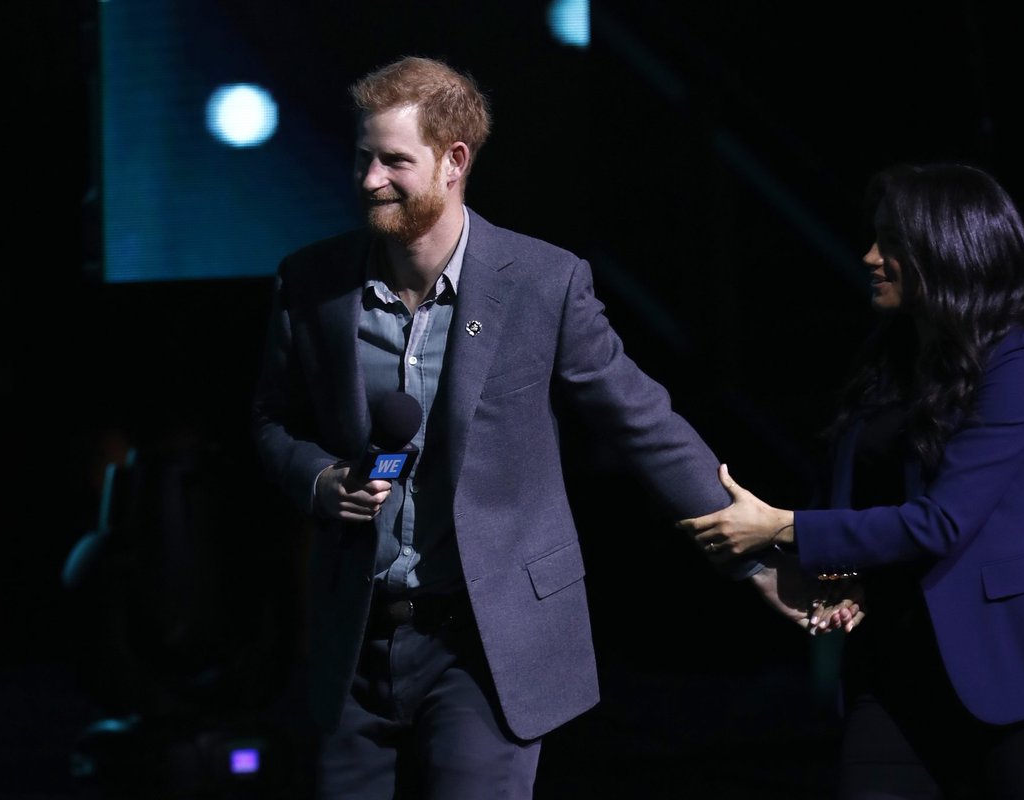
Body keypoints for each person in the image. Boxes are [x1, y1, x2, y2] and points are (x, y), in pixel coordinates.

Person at [250, 55, 841, 799]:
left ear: (454, 161)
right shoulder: (311, 283)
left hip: (484, 645)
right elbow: (271, 421)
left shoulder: (541, 281)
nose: (369, 179)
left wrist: (753, 561)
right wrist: (317, 477)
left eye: (394, 161)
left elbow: (641, 423)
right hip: (356, 640)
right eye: (363, 156)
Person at [678, 163, 1024, 799]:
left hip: (1016, 671)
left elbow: (941, 522)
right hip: (894, 674)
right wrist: (837, 575)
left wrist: (782, 527)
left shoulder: (1020, 360)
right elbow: (852, 495)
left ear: (950, 249)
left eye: (892, 243)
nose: (870, 257)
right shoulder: (889, 361)